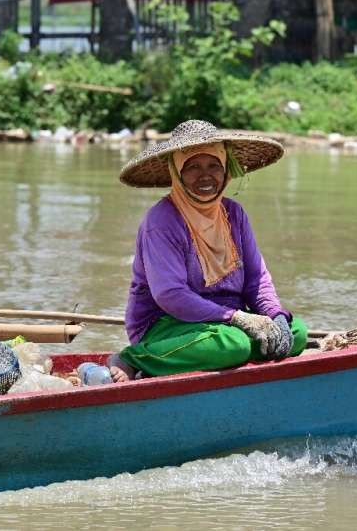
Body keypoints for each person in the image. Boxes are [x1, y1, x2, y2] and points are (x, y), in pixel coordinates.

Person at [108, 120, 307, 382]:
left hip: (229, 322)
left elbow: (257, 279)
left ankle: (242, 349)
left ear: (226, 170)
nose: (206, 175)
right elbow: (170, 294)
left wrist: (274, 316)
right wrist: (236, 318)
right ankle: (134, 359)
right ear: (177, 172)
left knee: (297, 331)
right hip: (168, 325)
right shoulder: (162, 221)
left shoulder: (234, 214)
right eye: (193, 167)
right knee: (233, 344)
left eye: (214, 165)